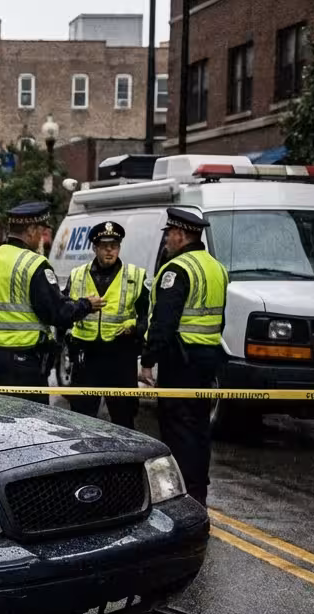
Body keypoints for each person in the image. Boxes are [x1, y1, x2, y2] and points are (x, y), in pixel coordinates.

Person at [0, 201, 106, 403]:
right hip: (24, 366)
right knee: (29, 427)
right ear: (30, 230)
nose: (42, 237)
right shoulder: (33, 264)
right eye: (41, 232)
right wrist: (86, 304)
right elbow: (57, 313)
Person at [139, 208, 228, 506]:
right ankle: (199, 491)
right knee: (200, 428)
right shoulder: (217, 268)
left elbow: (164, 322)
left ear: (181, 234)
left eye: (168, 234)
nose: (166, 239)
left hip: (181, 361)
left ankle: (182, 497)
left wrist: (148, 361)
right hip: (207, 359)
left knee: (178, 429)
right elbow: (220, 320)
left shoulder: (177, 270)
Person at [62, 221, 150, 428]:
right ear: (95, 248)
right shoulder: (77, 275)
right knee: (81, 420)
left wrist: (134, 326)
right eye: (104, 246)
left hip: (120, 356)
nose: (110, 250)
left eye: (114, 245)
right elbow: (63, 313)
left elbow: (149, 316)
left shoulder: (136, 276)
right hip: (86, 357)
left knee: (123, 421)